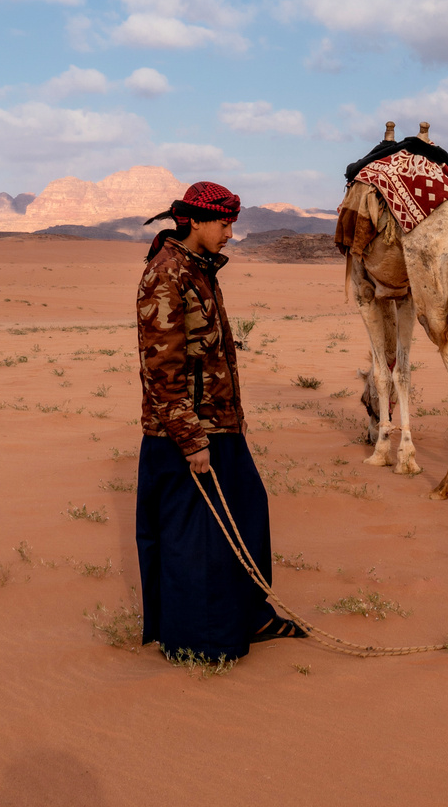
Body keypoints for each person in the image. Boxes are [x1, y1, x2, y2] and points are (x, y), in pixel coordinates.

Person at [135, 180, 305, 661]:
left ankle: (251, 615)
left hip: (222, 426)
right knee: (199, 544)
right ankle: (204, 642)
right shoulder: (165, 276)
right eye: (224, 223)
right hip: (187, 436)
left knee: (247, 519)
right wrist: (191, 441)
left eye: (232, 222)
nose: (231, 231)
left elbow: (215, 356)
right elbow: (161, 372)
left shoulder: (200, 269)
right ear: (195, 221)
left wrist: (236, 418)